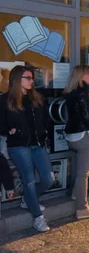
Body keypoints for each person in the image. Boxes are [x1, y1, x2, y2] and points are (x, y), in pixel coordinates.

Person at [0, 66, 53, 232]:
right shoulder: (5, 100)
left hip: (38, 145)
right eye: (27, 78)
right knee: (28, 181)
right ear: (17, 79)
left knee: (48, 179)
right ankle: (38, 218)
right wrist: (9, 129)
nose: (31, 81)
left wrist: (45, 135)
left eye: (32, 78)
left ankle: (29, 200)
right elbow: (1, 123)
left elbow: (45, 120)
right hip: (18, 146)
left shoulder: (36, 98)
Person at [64, 65, 89, 220]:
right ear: (82, 76)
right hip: (85, 135)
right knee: (83, 173)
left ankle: (76, 194)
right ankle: (82, 208)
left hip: (72, 135)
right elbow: (88, 118)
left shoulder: (71, 92)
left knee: (80, 170)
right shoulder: (84, 93)